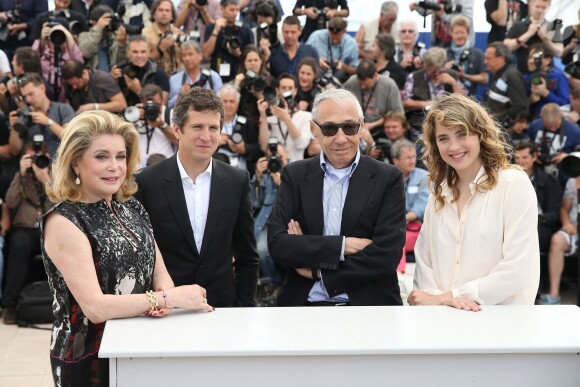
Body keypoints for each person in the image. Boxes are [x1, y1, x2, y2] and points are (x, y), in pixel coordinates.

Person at [41, 110, 214, 386]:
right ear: (76, 162)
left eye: (120, 156)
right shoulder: (64, 221)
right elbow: (95, 307)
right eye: (101, 157)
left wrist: (164, 296)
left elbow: (159, 272)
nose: (115, 166)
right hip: (90, 358)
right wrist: (166, 300)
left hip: (140, 346)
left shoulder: (131, 206)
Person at [267, 88, 406, 307]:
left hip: (369, 308)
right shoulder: (294, 175)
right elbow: (278, 245)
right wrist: (343, 246)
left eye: (349, 127)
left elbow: (386, 256)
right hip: (302, 307)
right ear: (314, 129)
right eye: (330, 128)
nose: (341, 138)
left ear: (361, 127)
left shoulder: (388, 178)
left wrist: (317, 271)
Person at [409, 94, 540, 310]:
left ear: (480, 134)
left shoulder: (513, 184)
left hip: (503, 327)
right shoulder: (438, 195)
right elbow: (425, 266)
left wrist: (450, 297)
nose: (453, 147)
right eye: (443, 138)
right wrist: (439, 301)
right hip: (442, 323)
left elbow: (517, 270)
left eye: (462, 134)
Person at [135, 86, 259, 307]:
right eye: (197, 127)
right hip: (167, 311)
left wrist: (243, 308)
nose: (206, 136)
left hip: (222, 309)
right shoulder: (147, 182)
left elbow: (247, 257)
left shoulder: (237, 181)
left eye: (213, 128)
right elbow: (141, 257)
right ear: (177, 130)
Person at [1, 147, 53, 324]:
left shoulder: (54, 176)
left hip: (50, 230)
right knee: (19, 244)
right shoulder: (20, 176)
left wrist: (45, 178)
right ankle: (10, 305)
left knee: (62, 247)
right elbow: (11, 201)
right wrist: (21, 175)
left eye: (41, 157)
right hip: (25, 230)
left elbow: (62, 205)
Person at [402, 47, 467, 134]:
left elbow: (465, 100)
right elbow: (404, 102)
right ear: (426, 65)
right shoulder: (414, 76)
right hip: (420, 127)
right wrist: (426, 104)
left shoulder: (452, 75)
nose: (436, 74)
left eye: (439, 70)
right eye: (433, 71)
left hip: (449, 125)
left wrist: (453, 83)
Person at [8, 72, 74, 157]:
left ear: (42, 88)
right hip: (33, 167)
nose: (28, 100)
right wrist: (14, 128)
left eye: (31, 94)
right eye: (25, 97)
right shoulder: (26, 116)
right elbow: (15, 150)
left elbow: (71, 139)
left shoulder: (63, 109)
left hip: (58, 167)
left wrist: (48, 122)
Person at [539, 175, 580, 304]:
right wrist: (567, 223)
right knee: (557, 240)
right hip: (572, 227)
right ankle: (554, 295)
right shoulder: (573, 181)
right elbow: (564, 208)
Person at [343, 59, 403, 135]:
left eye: (366, 84)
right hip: (355, 127)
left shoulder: (389, 84)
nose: (362, 87)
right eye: (360, 84)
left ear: (375, 75)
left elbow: (397, 114)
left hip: (382, 128)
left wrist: (373, 125)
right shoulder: (351, 82)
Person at [504, 0, 564, 74]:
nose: (540, 10)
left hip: (546, 72)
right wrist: (528, 34)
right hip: (523, 72)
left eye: (544, 8)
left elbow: (559, 53)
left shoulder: (552, 28)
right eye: (537, 7)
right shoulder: (518, 26)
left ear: (548, 8)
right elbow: (506, 47)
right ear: (531, 6)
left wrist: (545, 39)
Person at [202, 0, 254, 83]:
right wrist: (216, 31)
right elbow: (206, 54)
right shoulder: (211, 28)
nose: (235, 13)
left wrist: (238, 54)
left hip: (238, 76)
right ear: (222, 8)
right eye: (232, 10)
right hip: (217, 76)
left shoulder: (245, 30)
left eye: (237, 10)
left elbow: (252, 57)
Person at [168, 39, 223, 109]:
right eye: (184, 55)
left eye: (190, 54)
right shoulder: (174, 80)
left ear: (200, 56)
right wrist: (180, 95)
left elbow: (221, 103)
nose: (187, 58)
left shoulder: (213, 77)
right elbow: (169, 107)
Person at [484, 42, 529, 126]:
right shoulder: (499, 74)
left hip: (505, 132)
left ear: (501, 58)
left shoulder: (512, 75)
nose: (485, 62)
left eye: (488, 58)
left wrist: (496, 118)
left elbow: (520, 107)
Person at [62, 59, 127, 113]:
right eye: (71, 84)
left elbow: (122, 105)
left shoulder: (103, 79)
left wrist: (95, 107)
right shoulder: (68, 84)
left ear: (84, 73)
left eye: (77, 83)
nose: (74, 87)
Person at [444, 15, 488, 96]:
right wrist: (444, 69)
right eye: (457, 33)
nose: (459, 36)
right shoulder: (444, 53)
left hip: (469, 100)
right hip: (447, 99)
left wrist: (464, 76)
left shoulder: (478, 54)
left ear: (468, 33)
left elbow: (485, 78)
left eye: (462, 32)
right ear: (451, 33)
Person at [523, 43, 570, 119]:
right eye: (529, 58)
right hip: (531, 121)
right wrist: (531, 100)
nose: (530, 61)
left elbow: (565, 104)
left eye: (536, 58)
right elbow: (519, 104)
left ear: (548, 60)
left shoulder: (557, 77)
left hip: (552, 121)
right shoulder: (526, 78)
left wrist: (545, 93)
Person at [306, 16, 359, 82]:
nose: (334, 41)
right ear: (328, 29)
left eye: (338, 37)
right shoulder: (316, 37)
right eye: (332, 37)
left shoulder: (351, 44)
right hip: (316, 78)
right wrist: (317, 60)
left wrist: (343, 66)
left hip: (340, 80)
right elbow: (303, 60)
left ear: (345, 31)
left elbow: (355, 72)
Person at [265, 15, 318, 79]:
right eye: (286, 32)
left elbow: (316, 76)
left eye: (293, 32)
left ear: (300, 31)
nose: (289, 35)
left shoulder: (310, 52)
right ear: (282, 31)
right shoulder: (274, 52)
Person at [142, 0, 183, 77]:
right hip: (153, 79)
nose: (164, 13)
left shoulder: (179, 34)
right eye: (161, 10)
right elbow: (142, 61)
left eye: (167, 11)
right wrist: (160, 48)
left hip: (177, 78)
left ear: (172, 15)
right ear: (154, 14)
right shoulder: (144, 34)